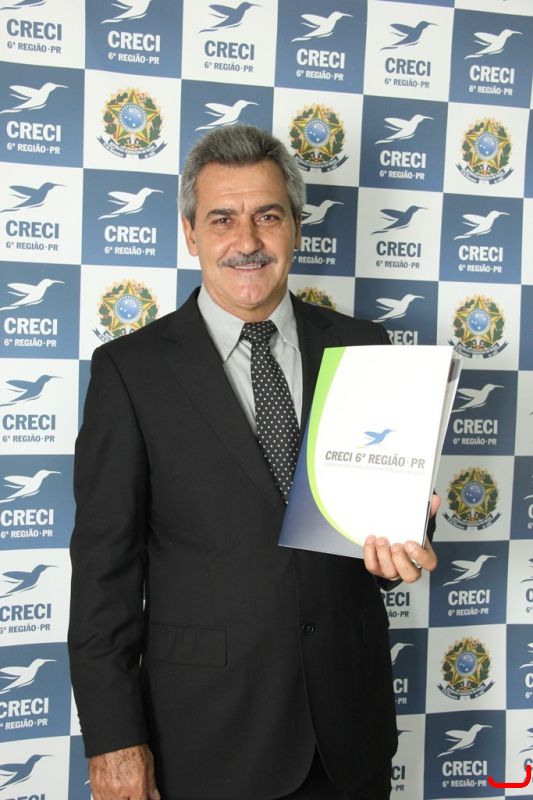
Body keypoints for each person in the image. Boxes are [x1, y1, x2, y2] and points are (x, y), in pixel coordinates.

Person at [68, 125, 439, 800]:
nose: (247, 241)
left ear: (295, 227)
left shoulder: (365, 348)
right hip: (207, 735)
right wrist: (113, 739)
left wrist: (406, 536)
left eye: (267, 216)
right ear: (190, 233)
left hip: (348, 731)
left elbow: (377, 521)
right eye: (222, 219)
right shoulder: (130, 371)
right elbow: (103, 574)